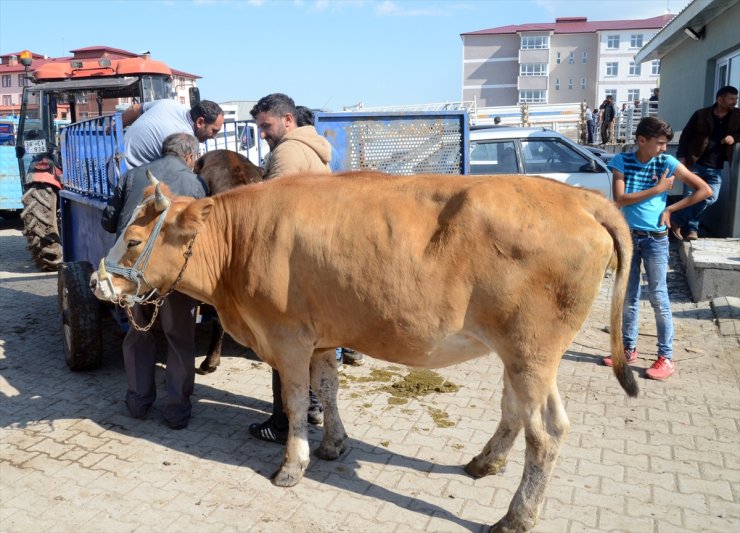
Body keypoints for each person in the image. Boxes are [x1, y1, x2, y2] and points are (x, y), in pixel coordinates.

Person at [101, 133, 208, 428]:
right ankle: (177, 411)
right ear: (189, 156)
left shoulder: (133, 175)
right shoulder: (196, 183)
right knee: (180, 341)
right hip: (176, 278)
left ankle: (138, 402)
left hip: (134, 274)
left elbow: (108, 221)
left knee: (137, 335)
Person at [248, 93, 333, 444]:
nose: (263, 134)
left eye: (266, 127)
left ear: (287, 120)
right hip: (318, 257)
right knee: (313, 345)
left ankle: (281, 423)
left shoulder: (286, 153)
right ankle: (313, 406)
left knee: (282, 345)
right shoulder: (313, 148)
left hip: (294, 263)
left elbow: (273, 214)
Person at [602, 117, 711, 380]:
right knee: (627, 298)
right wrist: (659, 188)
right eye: (660, 143)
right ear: (642, 141)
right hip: (628, 238)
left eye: (666, 144)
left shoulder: (667, 163)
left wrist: (671, 208)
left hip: (656, 240)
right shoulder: (621, 162)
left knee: (659, 298)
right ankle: (628, 349)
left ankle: (666, 358)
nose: (665, 149)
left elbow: (704, 190)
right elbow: (620, 199)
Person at [672, 86, 740, 241]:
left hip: (715, 165)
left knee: (710, 197)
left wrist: (734, 137)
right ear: (719, 99)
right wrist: (681, 156)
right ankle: (692, 230)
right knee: (691, 197)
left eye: (736, 99)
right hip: (694, 162)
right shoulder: (701, 114)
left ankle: (676, 220)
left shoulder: (738, 115)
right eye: (731, 99)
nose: (734, 102)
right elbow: (686, 135)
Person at [122, 99, 224, 168]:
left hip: (116, 158)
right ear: (200, 122)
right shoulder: (184, 139)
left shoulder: (169, 103)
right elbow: (180, 177)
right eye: (214, 131)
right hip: (129, 176)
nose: (214, 137)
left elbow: (135, 108)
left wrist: (114, 127)